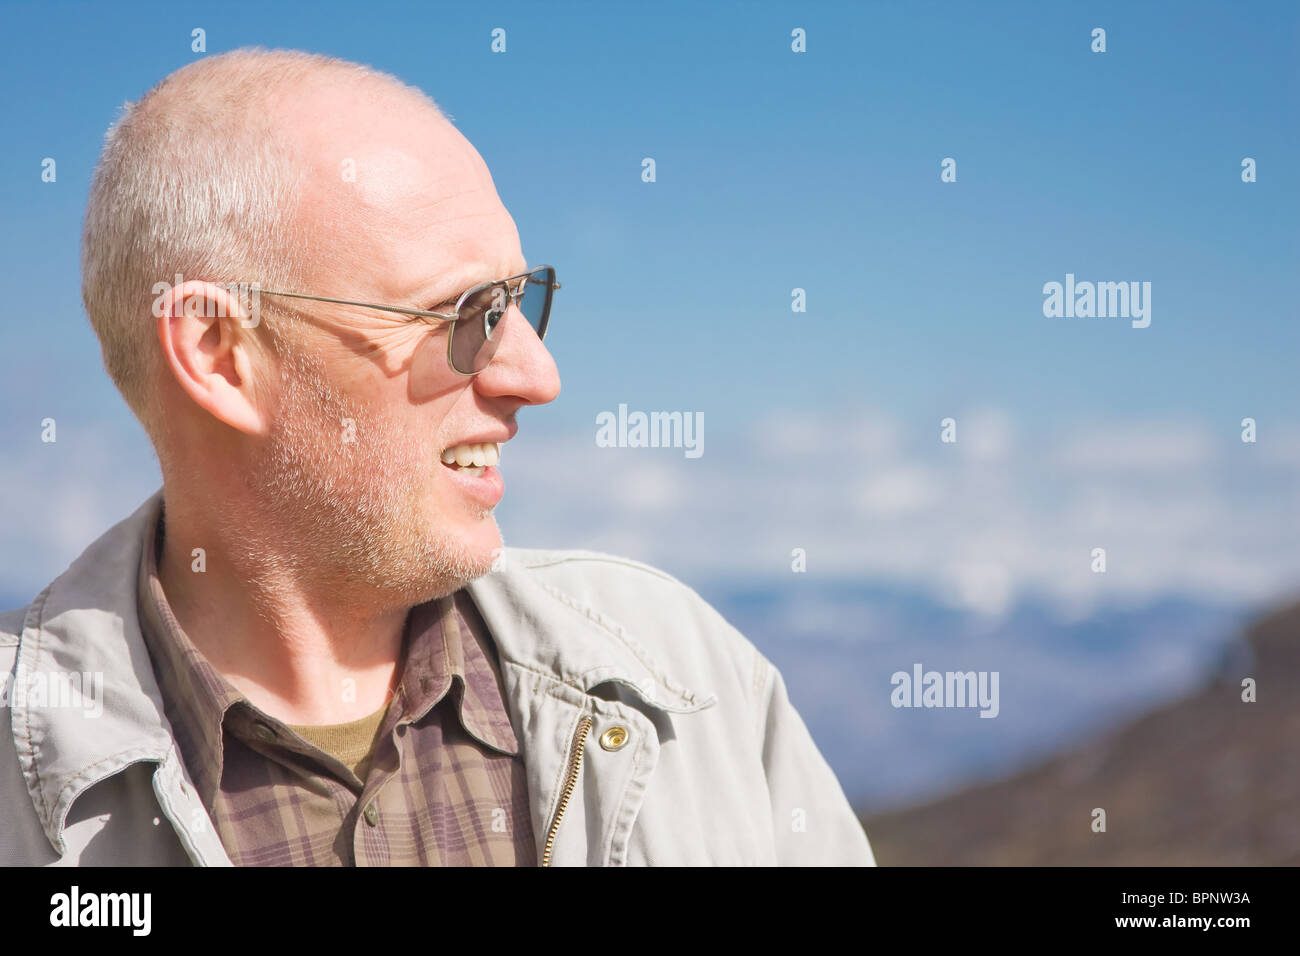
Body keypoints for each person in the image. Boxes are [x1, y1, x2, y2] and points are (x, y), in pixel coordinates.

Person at [0, 47, 874, 866]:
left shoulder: (684, 678)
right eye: (466, 314)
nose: (537, 375)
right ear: (222, 352)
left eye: (521, 301)